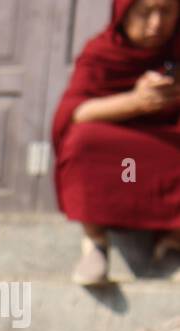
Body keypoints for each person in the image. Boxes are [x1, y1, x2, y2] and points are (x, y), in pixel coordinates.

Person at [53, 0, 180, 285]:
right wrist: (135, 102)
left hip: (167, 143)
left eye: (167, 11)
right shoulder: (101, 52)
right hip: (115, 149)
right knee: (83, 140)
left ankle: (174, 243)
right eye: (146, 12)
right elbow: (74, 112)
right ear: (124, 13)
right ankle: (95, 243)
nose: (157, 23)